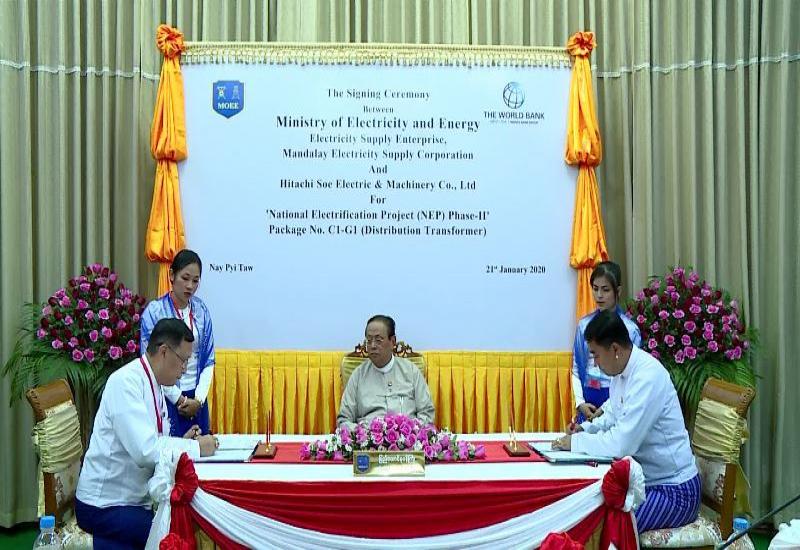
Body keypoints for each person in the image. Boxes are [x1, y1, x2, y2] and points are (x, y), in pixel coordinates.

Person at [553, 310, 700, 533]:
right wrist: (584, 429)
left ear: (615, 349)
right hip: (644, 482)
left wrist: (576, 443)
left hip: (675, 490)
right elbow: (612, 416)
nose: (595, 363)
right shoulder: (622, 374)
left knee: (608, 525)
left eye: (596, 355)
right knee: (589, 510)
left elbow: (622, 444)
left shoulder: (647, 377)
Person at [76, 318, 218, 549]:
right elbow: (145, 451)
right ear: (164, 351)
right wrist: (195, 448)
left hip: (133, 500)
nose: (184, 369)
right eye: (183, 360)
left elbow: (153, 441)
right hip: (105, 505)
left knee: (185, 519)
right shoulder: (125, 382)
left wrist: (181, 443)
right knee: (177, 531)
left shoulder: (154, 382)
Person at [140, 249, 215, 437]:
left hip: (197, 400)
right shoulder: (154, 312)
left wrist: (198, 399)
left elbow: (209, 359)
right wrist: (179, 399)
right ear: (172, 275)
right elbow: (150, 362)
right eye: (185, 278)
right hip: (167, 397)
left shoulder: (201, 310)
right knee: (172, 450)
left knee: (201, 449)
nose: (190, 286)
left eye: (195, 281)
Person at [337, 315, 435, 429]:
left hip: (406, 438)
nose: (372, 346)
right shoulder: (358, 375)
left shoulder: (411, 371)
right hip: (368, 438)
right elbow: (344, 420)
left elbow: (427, 414)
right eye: (369, 340)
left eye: (378, 340)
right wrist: (363, 434)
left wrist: (411, 432)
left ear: (392, 342)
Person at [572, 261, 641, 422]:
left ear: (618, 291)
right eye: (595, 289)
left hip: (616, 401)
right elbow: (576, 368)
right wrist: (580, 403)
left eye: (605, 289)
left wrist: (607, 408)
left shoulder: (630, 330)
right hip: (588, 400)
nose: (599, 295)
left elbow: (631, 375)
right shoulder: (584, 325)